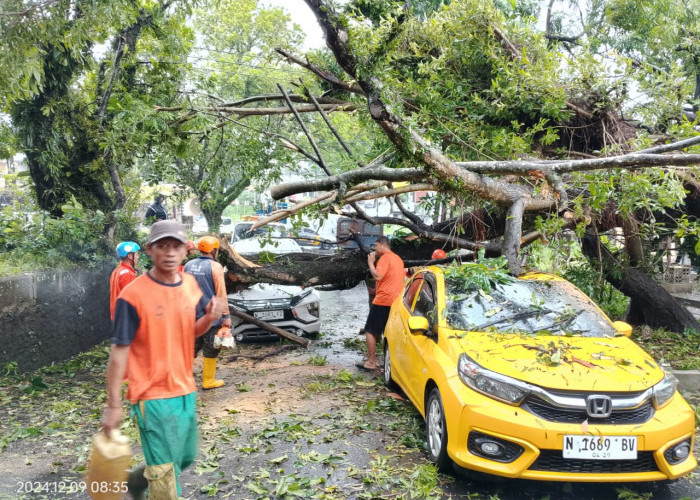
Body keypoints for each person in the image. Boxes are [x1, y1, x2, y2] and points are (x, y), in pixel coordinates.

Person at [101, 220, 223, 498]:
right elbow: (119, 352)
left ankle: (137, 480)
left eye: (176, 246)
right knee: (165, 476)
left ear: (185, 251)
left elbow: (191, 331)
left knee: (184, 458)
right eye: (162, 246)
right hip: (150, 396)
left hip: (185, 390)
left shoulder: (190, 284)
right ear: (149, 250)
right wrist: (113, 405)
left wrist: (210, 317)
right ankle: (152, 481)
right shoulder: (132, 296)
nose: (169, 253)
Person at [184, 236, 232, 389]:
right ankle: (208, 381)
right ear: (214, 250)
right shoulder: (215, 266)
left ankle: (183, 380)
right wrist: (226, 316)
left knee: (191, 349)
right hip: (211, 317)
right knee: (211, 348)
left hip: (191, 316)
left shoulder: (188, 265)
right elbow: (221, 293)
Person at [359, 236, 404, 371]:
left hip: (384, 300)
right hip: (396, 301)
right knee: (389, 332)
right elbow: (390, 279)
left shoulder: (385, 258)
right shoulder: (398, 259)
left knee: (370, 330)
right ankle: (392, 365)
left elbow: (378, 276)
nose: (375, 249)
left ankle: (371, 362)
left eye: (376, 246)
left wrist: (371, 263)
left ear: (383, 245)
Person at [109, 241, 140, 321]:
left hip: (118, 317)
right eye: (136, 254)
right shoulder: (127, 274)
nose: (138, 257)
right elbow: (132, 300)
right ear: (130, 256)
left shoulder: (117, 271)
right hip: (126, 319)